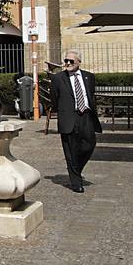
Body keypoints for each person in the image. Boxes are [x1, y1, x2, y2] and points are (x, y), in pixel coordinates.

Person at [51, 50, 101, 193]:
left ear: (79, 62)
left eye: (71, 61)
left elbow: (90, 95)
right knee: (71, 150)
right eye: (65, 60)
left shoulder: (89, 77)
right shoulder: (58, 78)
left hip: (86, 115)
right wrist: (64, 112)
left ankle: (75, 168)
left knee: (89, 145)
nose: (67, 63)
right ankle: (76, 182)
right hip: (69, 116)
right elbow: (54, 98)